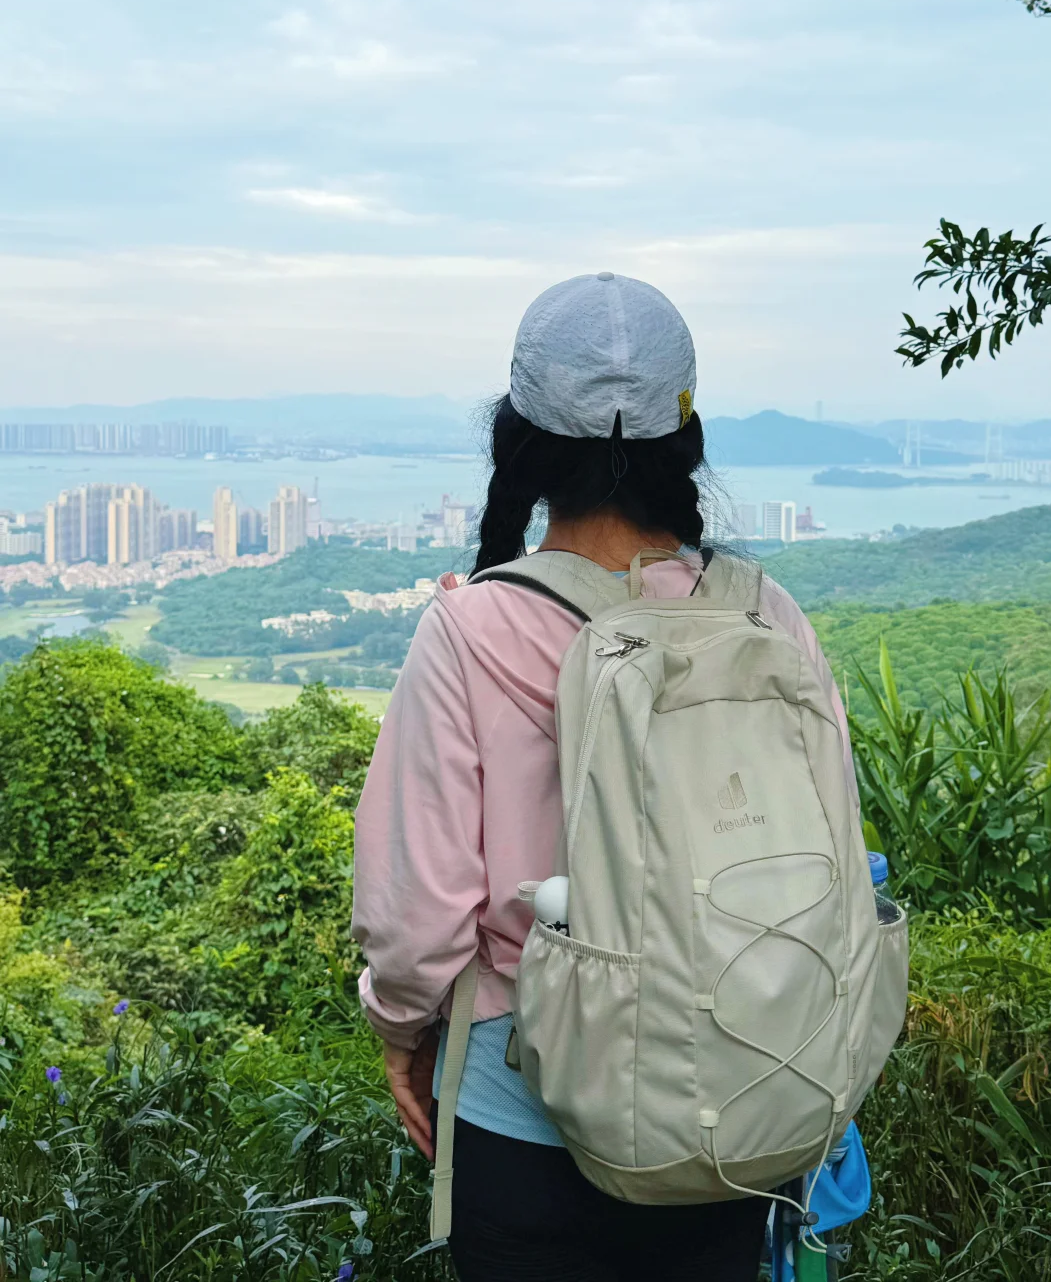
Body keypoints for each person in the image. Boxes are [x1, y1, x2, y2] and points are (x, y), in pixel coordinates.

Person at [352, 272, 860, 1282]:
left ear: (521, 441)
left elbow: (420, 919)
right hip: (741, 1104)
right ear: (687, 438)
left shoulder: (470, 630)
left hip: (525, 1112)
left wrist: (401, 1033)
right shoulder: (768, 617)